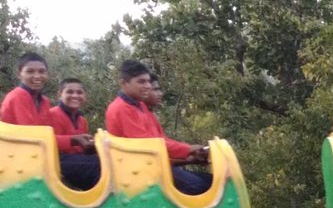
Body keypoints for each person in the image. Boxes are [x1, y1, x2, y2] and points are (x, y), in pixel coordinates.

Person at [104, 59, 211, 195]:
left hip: (153, 165)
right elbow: (148, 144)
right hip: (140, 171)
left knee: (209, 180)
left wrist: (188, 155)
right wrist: (188, 149)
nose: (148, 86)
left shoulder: (140, 106)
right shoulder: (121, 108)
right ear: (124, 83)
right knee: (196, 186)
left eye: (148, 81)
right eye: (141, 82)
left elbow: (160, 140)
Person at [48, 78, 99, 190]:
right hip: (57, 162)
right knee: (98, 165)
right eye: (70, 92)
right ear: (59, 95)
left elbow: (81, 149)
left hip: (76, 160)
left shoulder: (81, 120)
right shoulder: (52, 114)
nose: (75, 95)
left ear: (85, 96)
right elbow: (48, 142)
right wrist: (74, 140)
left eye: (79, 92)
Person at [1, 52, 53, 127]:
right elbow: (29, 131)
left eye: (41, 71)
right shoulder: (18, 96)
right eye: (30, 71)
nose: (37, 76)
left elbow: (47, 129)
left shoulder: (44, 101)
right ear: (19, 74)